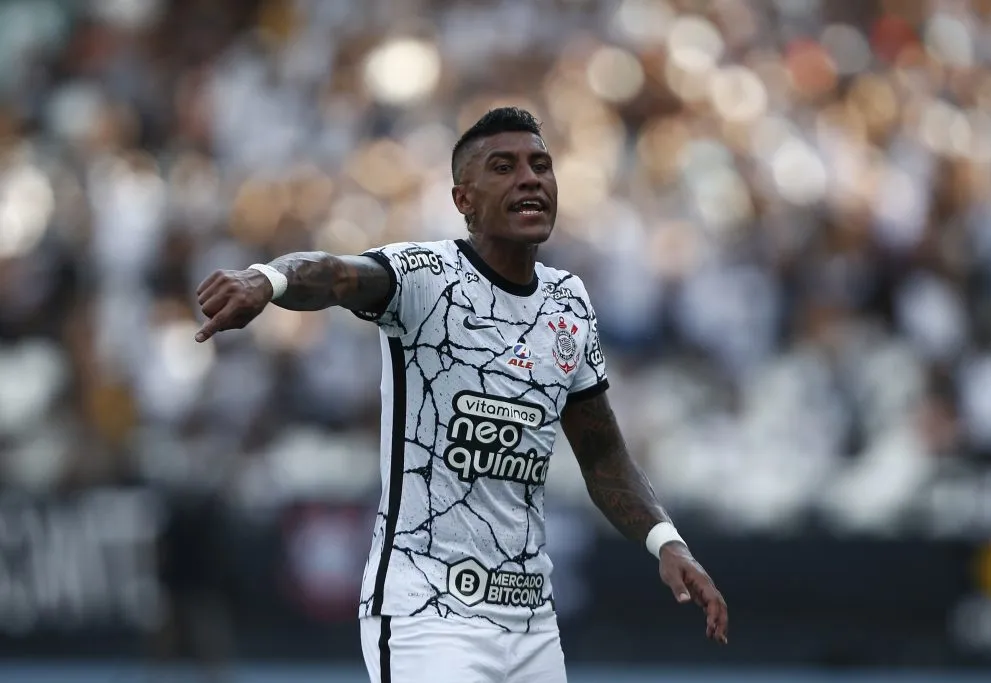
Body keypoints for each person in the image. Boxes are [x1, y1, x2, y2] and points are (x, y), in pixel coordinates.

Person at [194, 107, 728, 682]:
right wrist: (267, 279)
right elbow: (333, 273)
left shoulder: (568, 301)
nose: (530, 179)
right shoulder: (423, 276)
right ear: (463, 200)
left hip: (531, 623)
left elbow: (601, 455)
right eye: (504, 167)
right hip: (427, 614)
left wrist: (666, 542)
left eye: (540, 165)